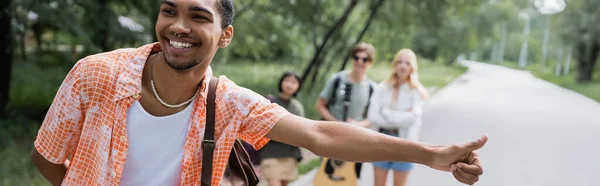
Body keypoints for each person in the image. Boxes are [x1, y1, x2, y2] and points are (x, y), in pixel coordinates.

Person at [30, 0, 487, 186]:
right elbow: (48, 157)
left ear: (225, 35)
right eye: (169, 11)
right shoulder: (96, 74)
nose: (179, 26)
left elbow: (319, 135)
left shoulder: (227, 103)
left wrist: (431, 154)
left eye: (198, 16)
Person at [315, 42, 377, 180]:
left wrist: (357, 125)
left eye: (364, 59)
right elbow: (320, 105)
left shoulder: (372, 87)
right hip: (332, 135)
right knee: (328, 176)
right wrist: (336, 123)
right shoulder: (337, 79)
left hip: (357, 138)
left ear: (370, 62)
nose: (360, 62)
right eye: (356, 58)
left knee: (350, 178)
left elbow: (373, 118)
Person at [368, 49, 428, 186]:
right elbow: (373, 117)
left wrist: (386, 112)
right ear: (394, 65)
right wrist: (401, 118)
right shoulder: (382, 88)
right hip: (381, 141)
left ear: (412, 67)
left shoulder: (416, 92)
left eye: (407, 63)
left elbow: (412, 119)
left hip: (405, 144)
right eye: (399, 62)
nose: (402, 66)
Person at [259, 71, 304, 186]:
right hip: (270, 152)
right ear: (281, 82)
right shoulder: (269, 102)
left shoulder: (297, 107)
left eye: (294, 82)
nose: (289, 84)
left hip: (289, 153)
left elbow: (301, 129)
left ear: (298, 86)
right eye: (287, 80)